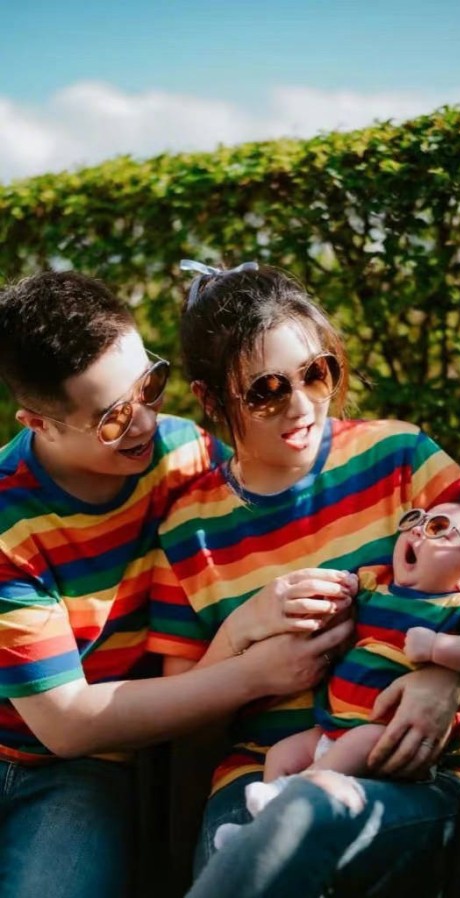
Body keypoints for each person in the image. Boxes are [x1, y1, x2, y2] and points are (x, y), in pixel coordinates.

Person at [148, 261, 460, 898]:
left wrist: (450, 675)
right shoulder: (187, 532)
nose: (302, 405)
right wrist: (244, 631)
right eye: (266, 391)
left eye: (317, 372)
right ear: (211, 398)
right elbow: (187, 725)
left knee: (308, 818)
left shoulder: (399, 456)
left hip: (420, 776)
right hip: (258, 779)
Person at [0, 270, 351, 898]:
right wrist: (252, 673)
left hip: (78, 775)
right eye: (111, 418)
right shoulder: (8, 522)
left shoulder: (185, 455)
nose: (143, 424)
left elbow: (298, 492)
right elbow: (67, 722)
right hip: (53, 745)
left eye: (149, 386)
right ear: (39, 423)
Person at [212, 490, 460, 844]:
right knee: (282, 753)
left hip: (391, 735)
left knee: (358, 744)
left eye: (437, 528)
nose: (417, 529)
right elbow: (345, 604)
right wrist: (342, 593)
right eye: (419, 519)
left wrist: (438, 648)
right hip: (334, 726)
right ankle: (259, 831)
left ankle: (288, 803)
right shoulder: (378, 586)